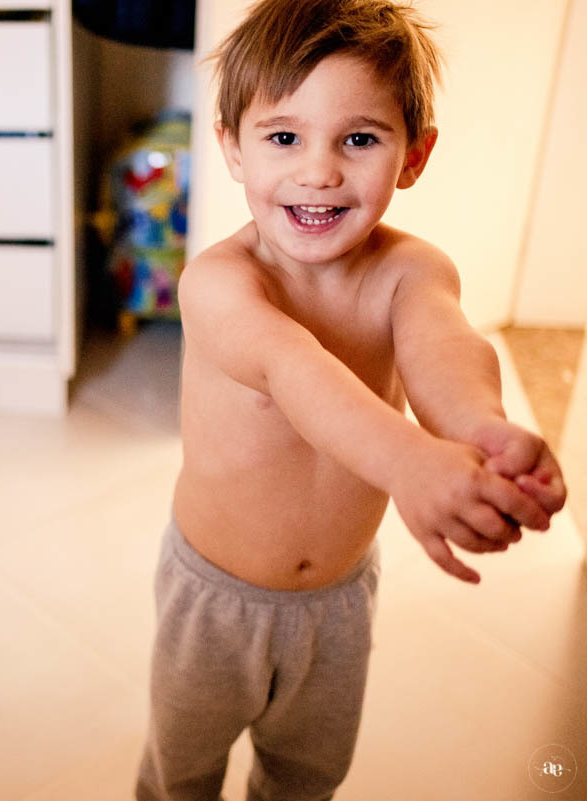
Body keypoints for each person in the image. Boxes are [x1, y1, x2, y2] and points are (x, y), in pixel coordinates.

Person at [137, 1, 568, 800]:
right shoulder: (220, 283)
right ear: (231, 148)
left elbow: (445, 352)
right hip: (214, 598)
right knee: (182, 770)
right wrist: (410, 462)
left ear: (414, 155)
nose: (320, 171)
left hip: (338, 600)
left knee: (307, 772)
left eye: (359, 139)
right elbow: (297, 372)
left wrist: (481, 431)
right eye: (284, 138)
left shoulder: (413, 271)